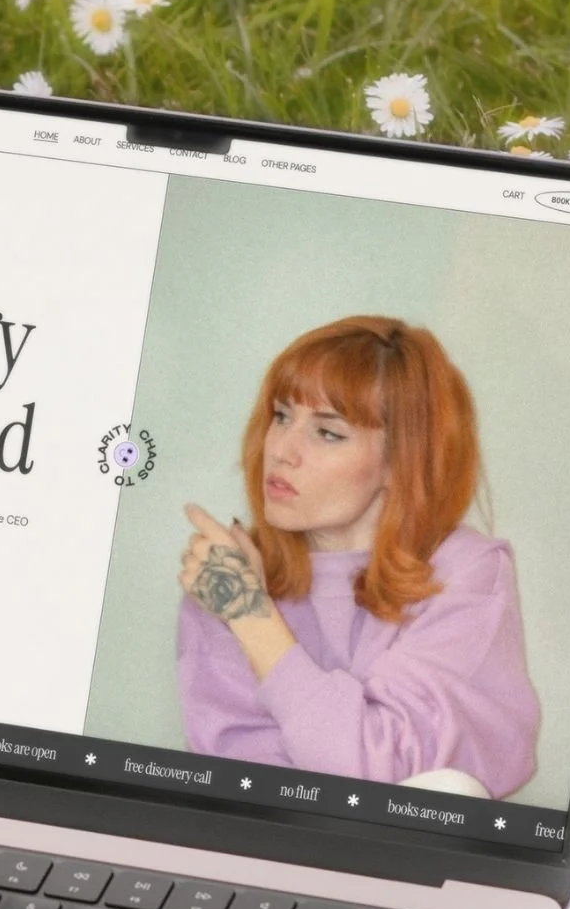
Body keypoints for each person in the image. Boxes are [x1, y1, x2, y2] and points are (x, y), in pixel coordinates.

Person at [175, 314, 538, 795]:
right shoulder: (226, 573)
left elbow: (382, 779)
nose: (281, 450)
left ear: (401, 462)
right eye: (281, 416)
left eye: (328, 433)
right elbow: (251, 787)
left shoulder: (466, 571)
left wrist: (250, 616)